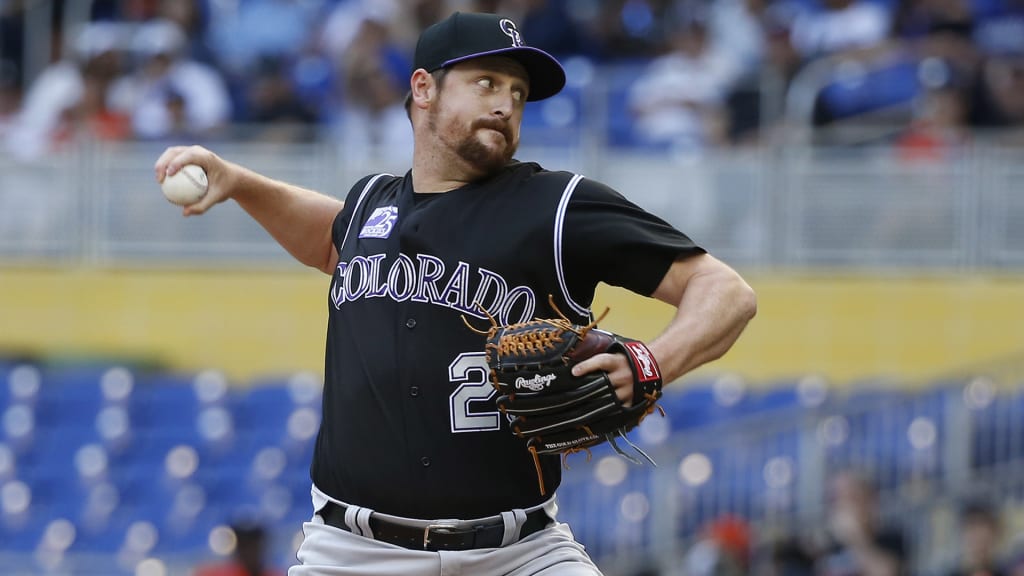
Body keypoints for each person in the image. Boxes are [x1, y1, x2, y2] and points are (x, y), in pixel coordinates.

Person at [154, 11, 756, 575]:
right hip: (353, 552)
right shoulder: (372, 205)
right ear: (423, 89)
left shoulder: (556, 206)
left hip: (520, 552)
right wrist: (239, 182)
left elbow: (724, 292)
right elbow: (333, 240)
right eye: (486, 83)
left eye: (517, 93)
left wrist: (653, 361)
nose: (505, 104)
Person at [818, 470, 906, 576]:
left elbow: (886, 572)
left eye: (852, 497)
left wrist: (855, 538)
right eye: (836, 498)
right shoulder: (829, 543)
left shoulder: (890, 537)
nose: (844, 504)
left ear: (869, 500)